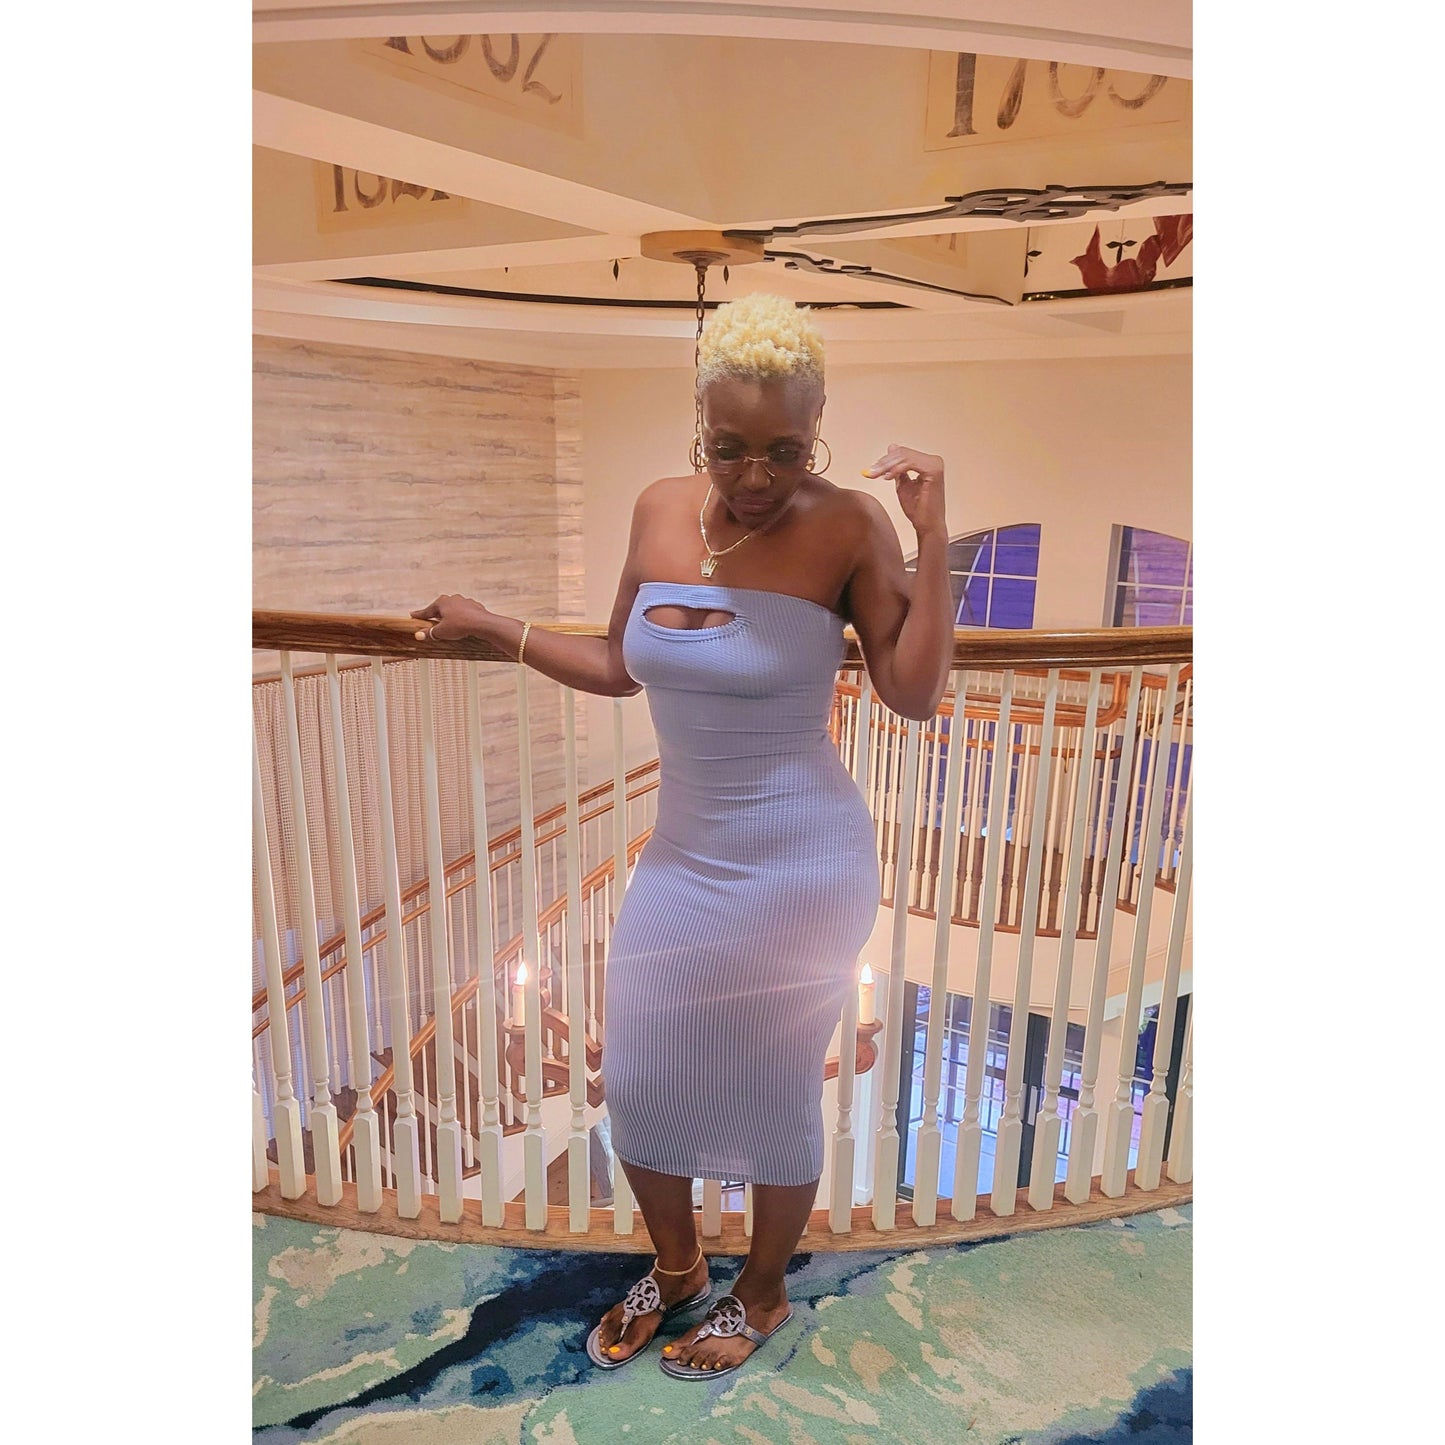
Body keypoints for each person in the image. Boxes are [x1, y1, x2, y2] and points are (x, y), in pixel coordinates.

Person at [411, 292, 954, 1381]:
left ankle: (763, 1288)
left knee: (774, 1082)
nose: (756, 474)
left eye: (785, 449)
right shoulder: (659, 507)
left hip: (801, 861)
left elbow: (911, 690)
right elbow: (620, 664)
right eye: (730, 446)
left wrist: (932, 530)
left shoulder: (850, 524)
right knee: (639, 1074)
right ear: (698, 422)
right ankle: (677, 1266)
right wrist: (494, 624)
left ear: (817, 427)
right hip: (683, 856)